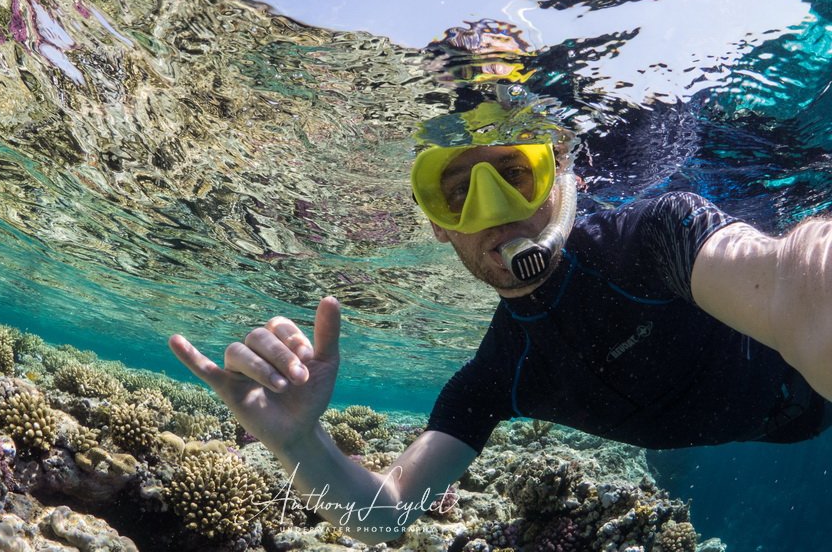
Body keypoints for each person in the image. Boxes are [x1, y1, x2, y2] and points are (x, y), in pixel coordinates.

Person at [168, 96, 832, 544]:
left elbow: (788, 278)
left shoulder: (659, 235)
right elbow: (383, 516)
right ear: (438, 225)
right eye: (459, 193)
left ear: (562, 174)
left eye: (515, 173)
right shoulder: (494, 376)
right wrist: (300, 443)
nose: (494, 211)